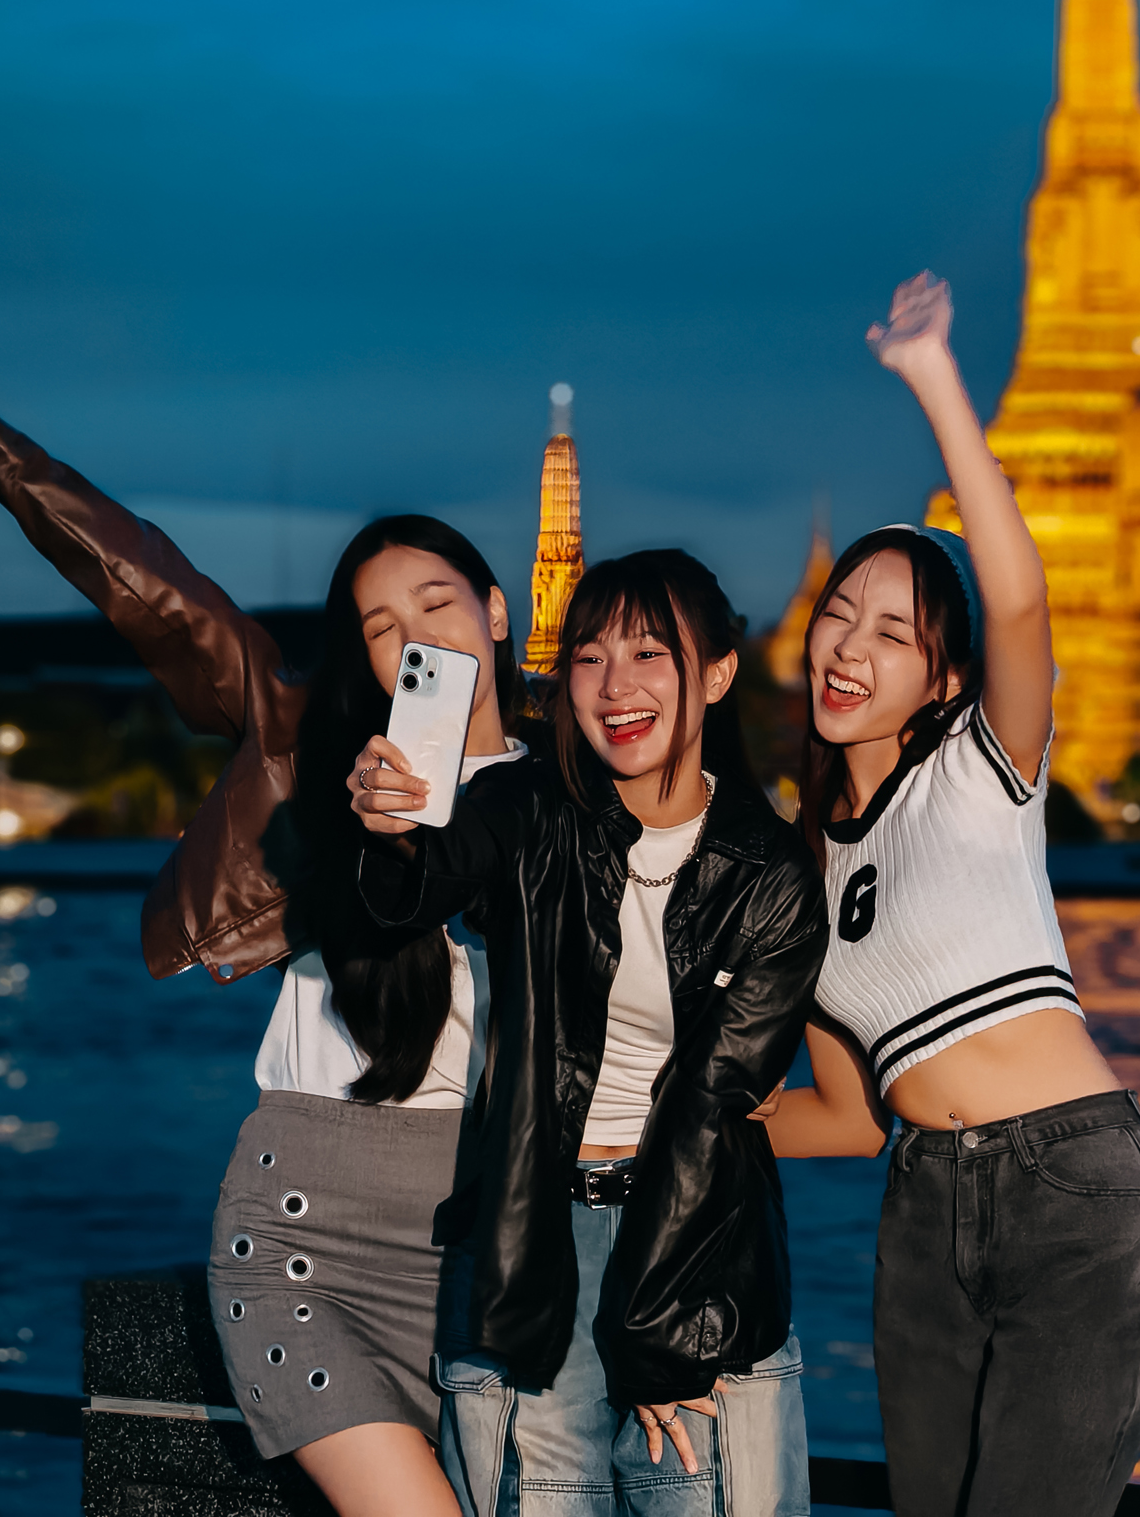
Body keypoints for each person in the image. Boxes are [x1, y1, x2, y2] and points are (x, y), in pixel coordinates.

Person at [0, 401, 523, 1517]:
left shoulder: (561, 799)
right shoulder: (314, 758)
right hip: (308, 1233)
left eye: (438, 602)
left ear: (497, 611)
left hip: (496, 1246)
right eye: (379, 625)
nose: (414, 635)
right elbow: (165, 601)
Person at [762, 274, 1140, 1517]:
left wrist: (936, 376)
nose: (849, 646)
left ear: (944, 678)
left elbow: (1018, 597)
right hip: (921, 1209)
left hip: (1072, 1189)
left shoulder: (980, 773)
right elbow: (846, 1115)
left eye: (893, 632)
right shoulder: (802, 869)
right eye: (840, 615)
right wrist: (644, 1120)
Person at [352, 549, 827, 1517]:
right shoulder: (530, 808)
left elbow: (710, 1109)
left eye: (650, 653)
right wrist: (393, 828)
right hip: (533, 1242)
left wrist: (658, 1336)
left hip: (699, 1253)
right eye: (588, 657)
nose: (616, 687)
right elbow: (431, 879)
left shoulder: (771, 872)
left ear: (718, 674)